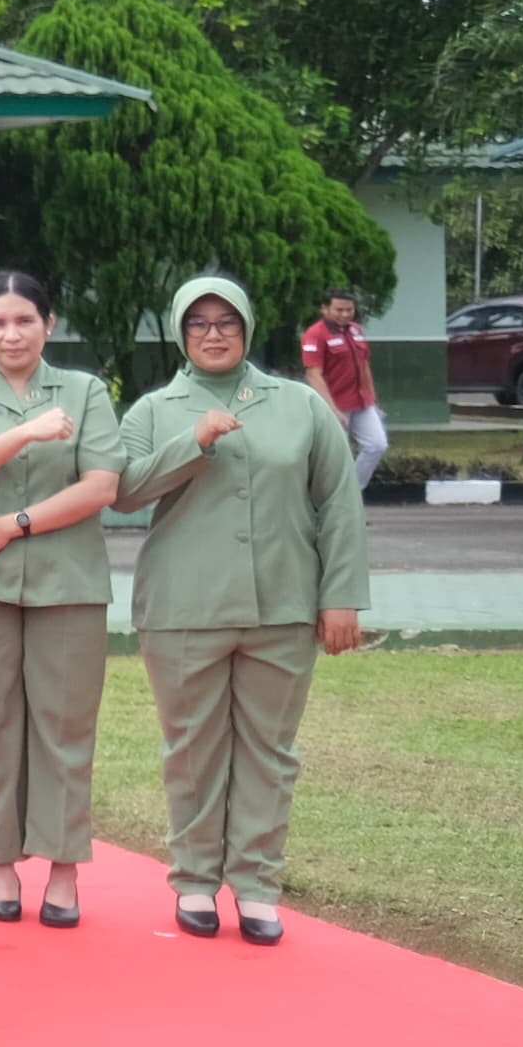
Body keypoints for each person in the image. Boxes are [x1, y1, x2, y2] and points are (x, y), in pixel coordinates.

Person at [116, 275, 372, 946]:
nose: (213, 332)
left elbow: (339, 502)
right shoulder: (152, 409)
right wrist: (191, 440)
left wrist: (340, 594)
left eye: (226, 320)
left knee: (270, 750)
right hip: (182, 606)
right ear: (179, 332)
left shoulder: (298, 405)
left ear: (249, 327)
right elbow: (122, 490)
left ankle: (257, 884)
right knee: (194, 749)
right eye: (197, 322)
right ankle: (196, 878)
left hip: (283, 606)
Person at [0, 270, 123, 926]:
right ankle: (2, 868)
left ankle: (64, 871)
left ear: (50, 323)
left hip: (68, 583)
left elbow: (100, 485)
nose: (11, 333)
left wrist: (15, 524)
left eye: (24, 320)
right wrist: (26, 432)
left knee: (65, 728)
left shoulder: (85, 390)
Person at [302, 288, 389, 491]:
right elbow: (313, 374)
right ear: (324, 309)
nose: (344, 314)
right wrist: (333, 410)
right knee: (336, 458)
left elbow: (364, 365)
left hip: (362, 403)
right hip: (335, 405)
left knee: (377, 445)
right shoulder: (315, 334)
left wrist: (373, 399)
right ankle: (326, 504)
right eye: (339, 310)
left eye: (349, 310)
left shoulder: (356, 330)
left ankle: (352, 493)